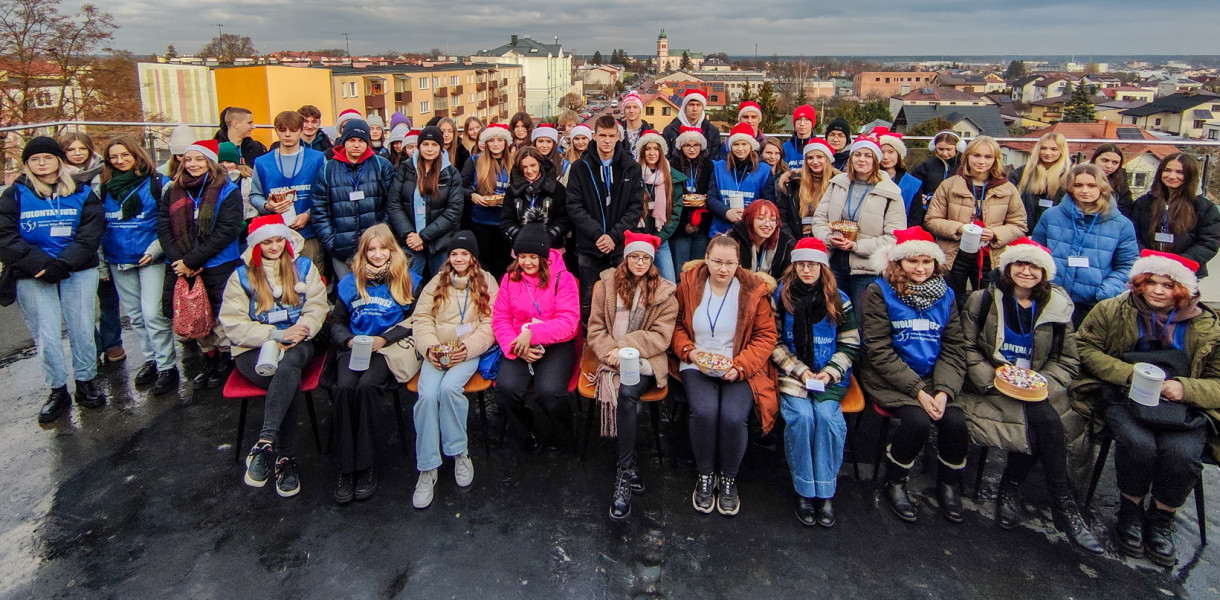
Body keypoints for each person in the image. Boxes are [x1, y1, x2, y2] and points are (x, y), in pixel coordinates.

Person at [1074, 250, 1220, 566]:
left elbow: (1218, 381)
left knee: (1181, 455)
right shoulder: (1113, 309)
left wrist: (1186, 388)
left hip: (1182, 406)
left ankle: (1161, 518)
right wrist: (1129, 374)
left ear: (1182, 289)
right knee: (1139, 445)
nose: (1157, 291)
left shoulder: (1207, 325)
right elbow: (1084, 347)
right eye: (1151, 282)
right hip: (1125, 396)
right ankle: (1130, 511)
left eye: (1168, 286)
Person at [959, 238, 1103, 554]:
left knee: (1047, 422)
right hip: (992, 384)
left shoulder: (1057, 305)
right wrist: (993, 378)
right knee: (1043, 425)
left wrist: (1041, 384)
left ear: (1044, 272)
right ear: (1008, 268)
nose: (1027, 271)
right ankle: (1057, 505)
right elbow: (966, 347)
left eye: (1034, 266)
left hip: (1037, 385)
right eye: (1020, 264)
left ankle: (1028, 493)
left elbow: (1067, 359)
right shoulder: (982, 300)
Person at [857, 226, 970, 523]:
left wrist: (943, 391)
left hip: (934, 374)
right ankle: (895, 480)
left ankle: (947, 483)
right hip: (889, 375)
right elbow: (878, 349)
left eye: (926, 262)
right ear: (898, 262)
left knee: (956, 421)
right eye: (912, 261)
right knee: (917, 420)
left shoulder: (946, 295)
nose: (920, 268)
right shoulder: (879, 291)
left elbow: (954, 347)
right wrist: (920, 391)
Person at [219, 215, 327, 498]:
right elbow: (233, 324)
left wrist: (301, 331)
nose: (275, 246)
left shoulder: (304, 267)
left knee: (289, 365)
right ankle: (284, 458)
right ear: (257, 245)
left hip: (298, 341)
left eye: (279, 239)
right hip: (254, 347)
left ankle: (264, 443)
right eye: (267, 241)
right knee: (286, 380)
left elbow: (317, 307)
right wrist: (275, 335)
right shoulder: (241, 276)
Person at [0, 136, 107, 422]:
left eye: (47, 158)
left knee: (83, 328)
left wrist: (63, 263)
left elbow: (91, 232)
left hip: (76, 269)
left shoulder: (82, 191)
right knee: (46, 335)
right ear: (27, 164)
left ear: (59, 160)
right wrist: (42, 264)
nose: (41, 163)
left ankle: (86, 382)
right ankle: (57, 389)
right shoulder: (15, 194)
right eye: (35, 159)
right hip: (32, 272)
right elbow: (5, 236)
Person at [672, 234, 778, 516]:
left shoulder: (753, 289)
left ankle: (729, 479)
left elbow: (766, 336)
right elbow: (675, 324)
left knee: (733, 417)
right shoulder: (689, 284)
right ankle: (705, 475)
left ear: (738, 263)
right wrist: (690, 352)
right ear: (706, 259)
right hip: (698, 361)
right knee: (705, 412)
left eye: (730, 263)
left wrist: (739, 367)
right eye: (717, 261)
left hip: (738, 363)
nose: (723, 268)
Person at [585, 231, 679, 521]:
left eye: (645, 258)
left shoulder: (665, 294)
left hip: (647, 360)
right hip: (609, 355)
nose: (640, 262)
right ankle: (628, 469)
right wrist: (610, 351)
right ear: (626, 258)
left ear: (652, 261)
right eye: (634, 256)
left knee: (628, 393)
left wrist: (624, 347)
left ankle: (622, 474)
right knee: (630, 401)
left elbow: (660, 338)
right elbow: (595, 329)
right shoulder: (606, 286)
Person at [330, 224, 421, 504]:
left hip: (387, 349)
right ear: (364, 252)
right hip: (354, 347)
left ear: (392, 250)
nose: (378, 254)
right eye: (372, 249)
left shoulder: (408, 279)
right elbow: (336, 322)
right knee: (345, 388)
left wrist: (385, 338)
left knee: (367, 387)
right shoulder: (350, 282)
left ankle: (366, 465)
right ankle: (347, 468)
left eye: (383, 248)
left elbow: (417, 321)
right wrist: (347, 341)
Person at [771, 237, 858, 527]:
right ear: (794, 266)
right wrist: (798, 370)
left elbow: (849, 343)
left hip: (827, 374)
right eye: (801, 264)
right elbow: (774, 340)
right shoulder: (782, 296)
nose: (807, 270)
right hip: (795, 373)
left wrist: (831, 371)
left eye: (813, 264)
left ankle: (826, 490)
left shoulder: (839, 299)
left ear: (823, 266)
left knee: (829, 420)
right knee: (802, 417)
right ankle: (805, 490)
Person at [409, 231, 497, 507]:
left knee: (449, 389)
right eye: (454, 254)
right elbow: (421, 318)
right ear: (449, 258)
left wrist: (467, 349)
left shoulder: (486, 281)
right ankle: (428, 466)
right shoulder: (436, 282)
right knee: (426, 395)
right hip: (437, 351)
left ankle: (459, 452)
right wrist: (430, 348)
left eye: (464, 253)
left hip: (466, 351)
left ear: (473, 257)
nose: (459, 258)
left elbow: (490, 323)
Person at [157, 139, 244, 389]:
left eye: (199, 159)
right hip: (182, 264)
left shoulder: (227, 190)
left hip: (218, 262)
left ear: (210, 162)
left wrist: (194, 260)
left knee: (219, 314)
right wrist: (179, 260)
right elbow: (163, 227)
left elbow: (228, 230)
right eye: (188, 159)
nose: (193, 164)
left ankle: (226, 360)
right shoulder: (173, 190)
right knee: (194, 314)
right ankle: (209, 358)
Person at [97, 136, 179, 395]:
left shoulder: (158, 184)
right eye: (114, 157)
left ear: (136, 155)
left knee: (153, 313)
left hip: (150, 256)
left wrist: (156, 249)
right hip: (117, 257)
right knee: (134, 316)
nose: (120, 160)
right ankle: (151, 359)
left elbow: (171, 222)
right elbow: (98, 226)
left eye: (125, 155)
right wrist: (101, 264)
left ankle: (167, 366)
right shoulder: (103, 187)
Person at [491, 218, 581, 452]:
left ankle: (561, 433)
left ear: (543, 256)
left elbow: (569, 323)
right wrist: (514, 345)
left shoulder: (563, 278)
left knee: (550, 391)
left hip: (556, 344)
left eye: (532, 256)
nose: (527, 262)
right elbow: (500, 317)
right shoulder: (510, 279)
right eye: (522, 257)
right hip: (517, 342)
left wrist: (531, 334)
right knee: (506, 389)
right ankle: (526, 428)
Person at [1032, 164, 1139, 326]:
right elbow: (1036, 253)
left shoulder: (1121, 224)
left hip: (1093, 304)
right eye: (1078, 185)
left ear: (1102, 187)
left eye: (1091, 185)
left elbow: (1128, 265)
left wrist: (1104, 292)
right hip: (1051, 296)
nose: (1085, 190)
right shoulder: (1051, 216)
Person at [924, 136, 1027, 301]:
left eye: (988, 157)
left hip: (990, 257)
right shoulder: (949, 185)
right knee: (949, 300)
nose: (981, 161)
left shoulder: (1007, 189)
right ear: (967, 157)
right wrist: (958, 228)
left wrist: (995, 233)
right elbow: (931, 220)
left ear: (995, 160)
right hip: (954, 256)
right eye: (976, 155)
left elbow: (1019, 224)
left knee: (987, 301)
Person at [566, 114, 645, 321]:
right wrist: (599, 235)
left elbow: (635, 207)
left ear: (619, 136)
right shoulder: (579, 168)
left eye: (611, 136)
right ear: (594, 136)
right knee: (588, 297)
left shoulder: (631, 168)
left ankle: (616, 337)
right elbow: (574, 206)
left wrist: (613, 236)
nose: (607, 140)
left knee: (621, 296)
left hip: (619, 246)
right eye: (602, 135)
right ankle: (588, 341)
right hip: (589, 245)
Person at [811, 135, 905, 306]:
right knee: (837, 315)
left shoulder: (891, 193)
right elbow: (820, 219)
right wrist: (827, 238)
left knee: (864, 320)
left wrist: (856, 246)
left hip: (867, 270)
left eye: (868, 155)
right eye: (857, 154)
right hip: (834, 263)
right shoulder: (837, 183)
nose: (862, 159)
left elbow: (894, 237)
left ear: (876, 160)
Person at [60, 133, 123, 365]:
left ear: (89, 150)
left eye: (82, 149)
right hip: (74, 244)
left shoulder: (104, 172)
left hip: (105, 239)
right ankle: (93, 346)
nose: (77, 153)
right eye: (71, 150)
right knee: (81, 305)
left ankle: (112, 343)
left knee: (108, 298)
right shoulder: (54, 177)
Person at [309, 118, 396, 280]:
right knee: (348, 296)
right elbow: (319, 209)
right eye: (352, 140)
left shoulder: (382, 166)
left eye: (361, 141)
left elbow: (391, 204)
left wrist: (383, 235)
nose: (356, 145)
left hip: (376, 249)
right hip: (341, 248)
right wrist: (331, 242)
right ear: (344, 141)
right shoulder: (328, 169)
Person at [250, 111, 328, 268]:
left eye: (293, 130)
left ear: (301, 130)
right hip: (275, 236)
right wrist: (267, 206)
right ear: (276, 131)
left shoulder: (317, 159)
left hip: (309, 233)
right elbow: (255, 195)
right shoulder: (262, 162)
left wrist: (309, 214)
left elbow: (328, 193)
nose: (287, 135)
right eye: (282, 130)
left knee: (310, 279)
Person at [388, 126, 465, 282]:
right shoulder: (406, 168)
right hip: (411, 242)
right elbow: (394, 203)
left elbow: (454, 211)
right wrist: (410, 234)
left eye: (434, 145)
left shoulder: (451, 173)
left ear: (441, 147)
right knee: (408, 286)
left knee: (440, 287)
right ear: (419, 146)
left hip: (440, 243)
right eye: (425, 144)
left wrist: (423, 236)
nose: (429, 149)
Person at [1131, 153, 1220, 278]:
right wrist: (1146, 259)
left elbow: (1209, 242)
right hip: (1146, 269)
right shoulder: (1144, 202)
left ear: (1190, 175)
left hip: (1185, 272)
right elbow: (1132, 234)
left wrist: (1180, 263)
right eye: (1167, 170)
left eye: (1180, 172)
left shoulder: (1205, 207)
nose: (1172, 176)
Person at [463, 123, 516, 277]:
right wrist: (472, 195)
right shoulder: (475, 160)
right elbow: (461, 185)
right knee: (484, 264)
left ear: (506, 142)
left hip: (505, 222)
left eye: (500, 140)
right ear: (485, 143)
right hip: (481, 222)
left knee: (504, 264)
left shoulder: (513, 162)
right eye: (491, 140)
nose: (495, 144)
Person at [706, 123, 775, 237]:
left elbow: (768, 201)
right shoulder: (719, 167)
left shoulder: (764, 170)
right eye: (736, 144)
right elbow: (711, 198)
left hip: (752, 230)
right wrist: (726, 212)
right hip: (720, 231)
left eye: (744, 144)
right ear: (730, 146)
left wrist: (748, 214)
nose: (740, 148)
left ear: (751, 146)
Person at [634, 130, 685, 282]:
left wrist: (658, 238)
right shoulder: (632, 174)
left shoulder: (672, 178)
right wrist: (638, 236)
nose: (651, 153)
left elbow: (675, 214)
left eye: (656, 148)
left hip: (660, 240)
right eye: (647, 148)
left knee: (669, 282)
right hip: (638, 239)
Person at [668, 126, 716, 273]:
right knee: (680, 269)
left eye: (696, 145)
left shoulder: (709, 165)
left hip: (702, 225)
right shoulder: (672, 165)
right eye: (687, 145)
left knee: (698, 270)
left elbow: (712, 191)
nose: (692, 149)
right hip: (679, 226)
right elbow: (670, 197)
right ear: (681, 146)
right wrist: (684, 225)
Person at [777, 139, 838, 240]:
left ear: (828, 159)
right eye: (810, 158)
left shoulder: (838, 183)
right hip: (797, 241)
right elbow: (783, 217)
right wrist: (792, 242)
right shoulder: (793, 182)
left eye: (819, 157)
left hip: (827, 241)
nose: (815, 162)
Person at [1011, 132, 1070, 230]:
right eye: (1043, 148)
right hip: (1023, 228)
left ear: (1062, 151)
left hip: (1054, 230)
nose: (1047, 153)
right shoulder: (1022, 172)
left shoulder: (1067, 177)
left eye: (1054, 149)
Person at [909, 131, 965, 226]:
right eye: (940, 149)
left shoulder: (964, 167)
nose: (944, 153)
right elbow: (914, 186)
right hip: (929, 210)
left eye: (949, 149)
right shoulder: (925, 166)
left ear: (958, 148)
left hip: (956, 211)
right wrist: (919, 197)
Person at [729, 200, 793, 281]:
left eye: (773, 220)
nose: (767, 224)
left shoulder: (784, 244)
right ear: (749, 219)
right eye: (761, 218)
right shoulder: (733, 240)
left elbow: (784, 278)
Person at [872, 127, 923, 224]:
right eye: (882, 152)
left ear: (898, 154)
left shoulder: (913, 184)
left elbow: (915, 219)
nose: (886, 157)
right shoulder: (867, 179)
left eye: (891, 152)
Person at [662, 89, 724, 161]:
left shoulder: (712, 131)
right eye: (691, 105)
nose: (695, 109)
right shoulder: (670, 130)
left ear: (702, 108)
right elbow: (666, 157)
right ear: (685, 107)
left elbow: (713, 159)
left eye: (698, 105)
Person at [1090, 143, 1133, 220]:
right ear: (1095, 160)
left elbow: (1125, 212)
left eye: (1115, 163)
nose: (1109, 166)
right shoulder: (1081, 178)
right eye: (1105, 160)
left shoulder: (1121, 186)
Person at [218, 142, 257, 221]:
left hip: (246, 221)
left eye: (229, 162)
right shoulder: (212, 181)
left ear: (237, 163)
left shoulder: (248, 181)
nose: (225, 165)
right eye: (221, 162)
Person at [781, 105, 818, 172]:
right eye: (798, 120)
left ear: (812, 123)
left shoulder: (819, 146)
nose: (802, 124)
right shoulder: (785, 147)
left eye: (806, 120)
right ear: (794, 123)